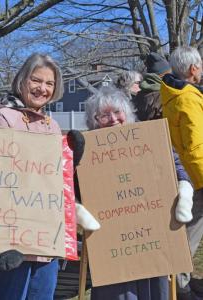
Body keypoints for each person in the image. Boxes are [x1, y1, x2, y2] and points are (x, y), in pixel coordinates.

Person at [0, 53, 94, 300]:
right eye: (36, 80)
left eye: (49, 83)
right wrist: (5, 241)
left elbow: (55, 181)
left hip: (46, 234)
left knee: (43, 295)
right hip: (12, 233)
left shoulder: (51, 125)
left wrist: (71, 161)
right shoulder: (3, 116)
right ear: (23, 80)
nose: (42, 88)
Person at [84, 85, 168, 300]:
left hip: (150, 232)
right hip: (111, 239)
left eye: (117, 112)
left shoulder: (149, 138)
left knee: (153, 286)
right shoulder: (87, 151)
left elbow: (174, 166)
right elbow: (75, 186)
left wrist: (184, 191)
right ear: (94, 121)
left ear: (127, 112)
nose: (112, 119)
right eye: (104, 115)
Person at [160, 46, 203, 300]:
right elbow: (196, 145)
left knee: (187, 232)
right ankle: (180, 285)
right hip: (195, 177)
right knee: (191, 234)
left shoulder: (171, 94)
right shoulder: (187, 97)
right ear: (192, 68)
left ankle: (182, 281)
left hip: (185, 173)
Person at [133, 52, 194, 224]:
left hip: (144, 161)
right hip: (172, 156)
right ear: (165, 75)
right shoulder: (167, 97)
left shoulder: (136, 100)